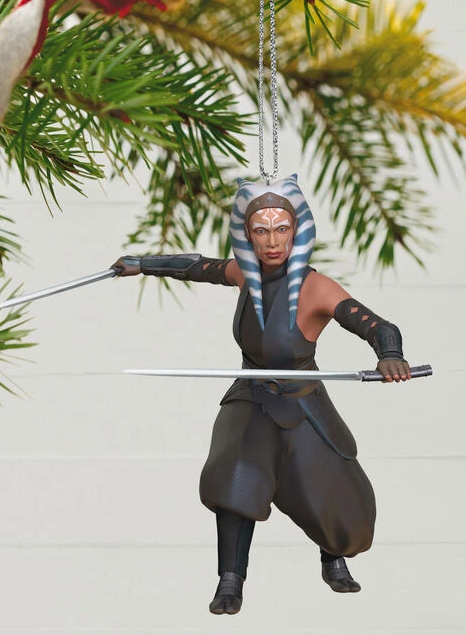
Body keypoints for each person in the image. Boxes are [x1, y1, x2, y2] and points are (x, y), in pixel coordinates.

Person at [111, 175, 411, 615]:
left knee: (330, 485)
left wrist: (390, 355)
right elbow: (197, 267)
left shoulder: (316, 287)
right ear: (247, 234)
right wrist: (143, 264)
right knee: (235, 478)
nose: (272, 241)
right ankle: (230, 580)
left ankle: (333, 558)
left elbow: (377, 326)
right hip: (251, 396)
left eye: (281, 229)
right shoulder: (245, 274)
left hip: (303, 401)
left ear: (297, 230)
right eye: (261, 231)